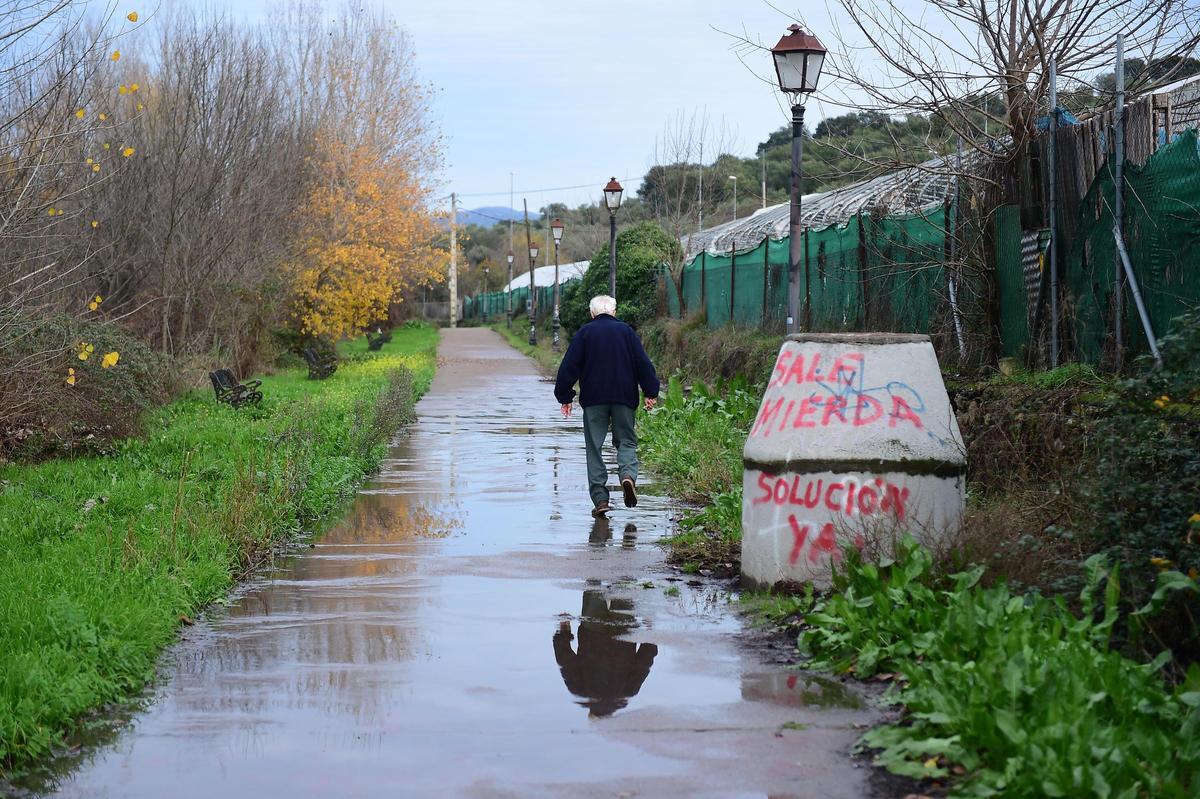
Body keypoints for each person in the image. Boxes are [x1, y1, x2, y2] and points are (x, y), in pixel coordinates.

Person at [554, 295, 660, 517]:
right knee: (627, 441)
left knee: (595, 447)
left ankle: (601, 499)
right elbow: (643, 363)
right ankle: (628, 476)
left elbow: (569, 366)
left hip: (594, 399)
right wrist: (650, 391)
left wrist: (565, 396)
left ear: (592, 313)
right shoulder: (626, 332)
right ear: (614, 311)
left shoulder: (585, 333)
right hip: (624, 397)